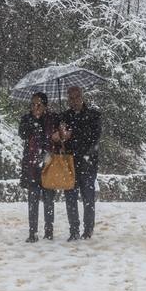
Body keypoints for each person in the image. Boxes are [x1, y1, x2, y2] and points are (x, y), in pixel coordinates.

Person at [61, 85, 102, 241]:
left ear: (82, 97)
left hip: (88, 162)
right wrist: (61, 136)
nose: (74, 100)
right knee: (70, 197)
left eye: (77, 97)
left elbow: (94, 137)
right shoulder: (64, 117)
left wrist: (73, 134)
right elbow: (61, 141)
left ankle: (88, 229)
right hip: (69, 162)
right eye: (71, 98)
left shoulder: (93, 115)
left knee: (88, 197)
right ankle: (74, 230)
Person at [18, 91, 54, 242]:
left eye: (38, 104)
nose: (35, 107)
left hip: (49, 163)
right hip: (32, 164)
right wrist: (33, 123)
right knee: (32, 199)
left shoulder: (52, 119)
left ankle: (49, 231)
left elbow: (56, 137)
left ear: (45, 105)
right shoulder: (26, 119)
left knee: (49, 199)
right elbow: (22, 134)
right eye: (32, 104)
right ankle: (32, 232)